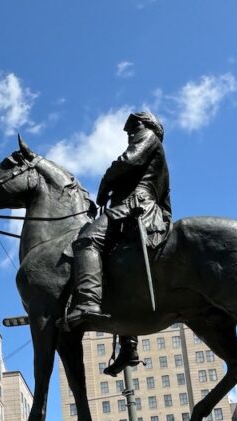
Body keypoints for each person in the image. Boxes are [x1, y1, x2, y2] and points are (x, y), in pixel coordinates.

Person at [66, 111, 172, 376]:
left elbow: (127, 161)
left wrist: (105, 183)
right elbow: (164, 199)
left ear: (147, 125)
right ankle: (128, 347)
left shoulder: (148, 137)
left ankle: (88, 303)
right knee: (114, 268)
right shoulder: (157, 155)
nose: (130, 133)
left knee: (87, 239)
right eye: (129, 130)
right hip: (138, 207)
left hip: (136, 206)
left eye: (133, 126)